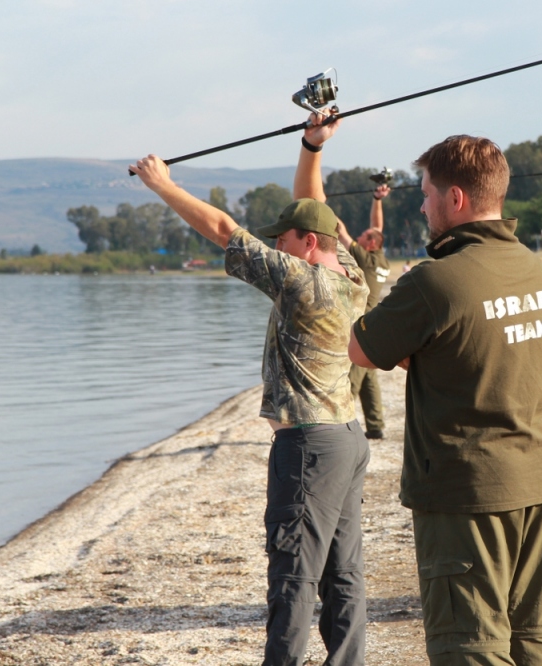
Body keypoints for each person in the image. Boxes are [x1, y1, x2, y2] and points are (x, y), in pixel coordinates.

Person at [130, 113, 371, 666]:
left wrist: (162, 184)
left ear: (307, 245)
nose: (277, 248)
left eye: (283, 240)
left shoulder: (300, 279)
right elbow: (317, 207)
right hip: (348, 438)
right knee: (343, 574)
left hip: (309, 445)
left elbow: (223, 231)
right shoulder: (352, 275)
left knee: (293, 575)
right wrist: (312, 146)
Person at [349, 134, 542, 665]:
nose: (422, 205)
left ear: (456, 199)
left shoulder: (436, 281)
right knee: (533, 635)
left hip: (468, 494)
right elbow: (471, 346)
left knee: (469, 645)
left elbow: (362, 348)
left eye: (426, 193)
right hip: (535, 481)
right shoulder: (532, 267)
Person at [337, 186, 392, 439]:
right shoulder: (380, 260)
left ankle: (339, 425)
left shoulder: (365, 258)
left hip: (361, 324)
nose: (359, 237)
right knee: (369, 378)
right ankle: (375, 426)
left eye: (364, 236)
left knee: (352, 378)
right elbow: (377, 226)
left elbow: (341, 232)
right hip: (375, 324)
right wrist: (377, 199)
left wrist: (317, 201)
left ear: (370, 243)